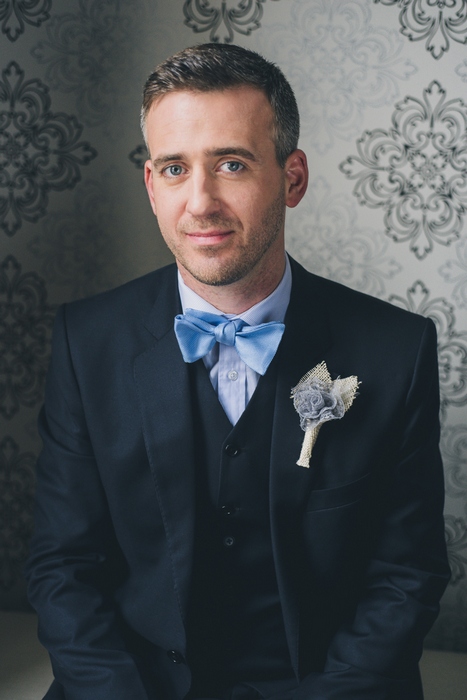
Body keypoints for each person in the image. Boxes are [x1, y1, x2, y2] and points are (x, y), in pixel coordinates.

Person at [26, 43, 450, 700]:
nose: (200, 202)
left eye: (231, 164)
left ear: (292, 178)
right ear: (150, 185)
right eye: (173, 168)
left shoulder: (396, 348)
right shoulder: (88, 341)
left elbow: (405, 574)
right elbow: (62, 566)